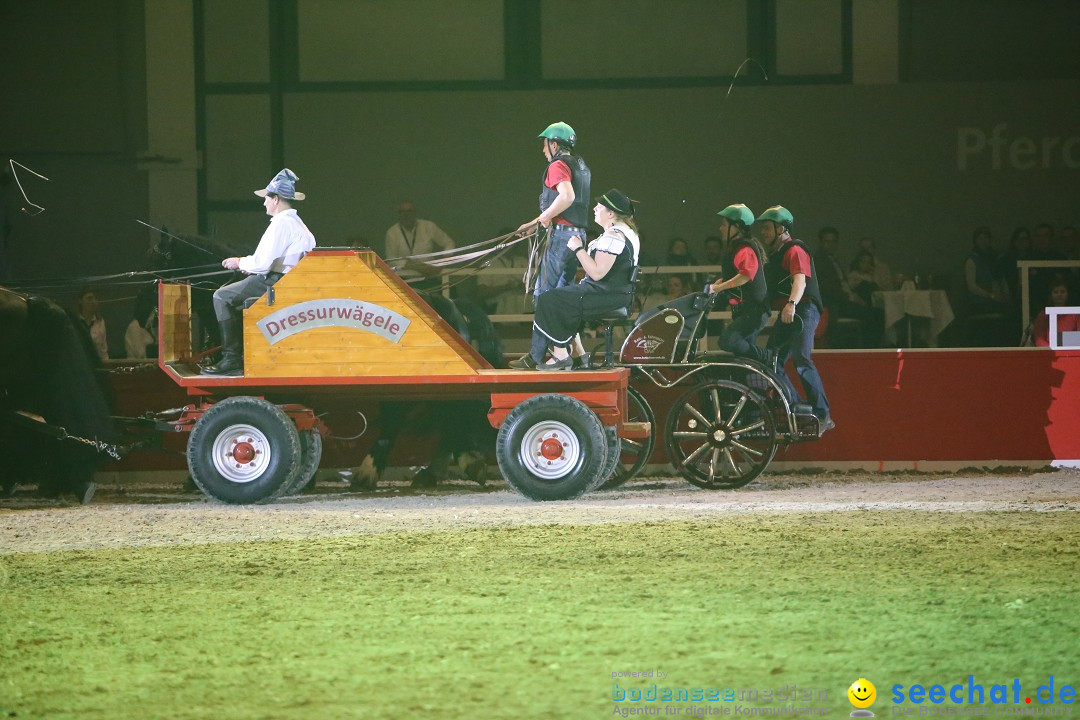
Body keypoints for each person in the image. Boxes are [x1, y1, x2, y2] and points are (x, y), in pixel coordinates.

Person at [202, 168, 316, 375]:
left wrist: (239, 262)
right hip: (285, 281)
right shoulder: (298, 224)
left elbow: (262, 263)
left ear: (276, 199)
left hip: (275, 283)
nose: (264, 202)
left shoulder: (281, 224)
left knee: (221, 297)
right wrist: (251, 266)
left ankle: (231, 358)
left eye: (266, 198)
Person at [528, 189, 640, 370]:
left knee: (549, 300)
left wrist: (578, 248)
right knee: (563, 298)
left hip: (605, 296)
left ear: (610, 213)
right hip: (614, 294)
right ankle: (580, 355)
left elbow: (597, 273)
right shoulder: (625, 233)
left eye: (600, 206)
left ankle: (561, 355)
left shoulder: (614, 236)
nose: (595, 208)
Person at [510, 121, 592, 369]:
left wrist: (542, 219)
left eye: (544, 144)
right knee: (561, 298)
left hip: (561, 238)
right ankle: (576, 354)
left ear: (554, 144)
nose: (543, 150)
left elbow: (566, 197)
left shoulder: (557, 165)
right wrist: (536, 223)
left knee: (543, 296)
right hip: (577, 236)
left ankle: (536, 356)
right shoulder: (581, 165)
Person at [759, 206, 833, 435]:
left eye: (767, 227)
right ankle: (800, 410)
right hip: (791, 311)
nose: (763, 232)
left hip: (803, 308)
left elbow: (799, 281)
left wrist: (791, 304)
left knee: (801, 357)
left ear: (781, 228)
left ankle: (822, 415)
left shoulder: (795, 250)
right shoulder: (776, 255)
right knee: (772, 361)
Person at [708, 204, 771, 365]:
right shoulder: (735, 248)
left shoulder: (744, 248)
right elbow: (735, 276)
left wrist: (719, 288)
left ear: (736, 227)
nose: (720, 228)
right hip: (744, 310)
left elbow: (745, 276)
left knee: (728, 340)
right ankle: (752, 383)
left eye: (724, 224)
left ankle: (767, 357)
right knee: (744, 358)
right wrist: (720, 282)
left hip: (753, 311)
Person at [384, 201, 454, 291]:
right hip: (404, 281)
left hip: (429, 279)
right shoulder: (392, 233)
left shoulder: (428, 226)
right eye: (402, 212)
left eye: (409, 211)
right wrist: (414, 266)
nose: (406, 215)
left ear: (415, 213)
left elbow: (449, 243)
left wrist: (443, 262)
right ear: (399, 215)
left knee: (450, 291)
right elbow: (391, 260)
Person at [1031, 277, 1079, 347]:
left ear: (1068, 294)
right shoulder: (1043, 315)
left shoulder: (1075, 315)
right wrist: (1051, 350)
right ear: (1051, 295)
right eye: (1056, 292)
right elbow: (1039, 339)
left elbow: (1078, 339)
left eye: (1062, 292)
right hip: (1048, 354)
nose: (1059, 294)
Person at [74, 288, 109, 362]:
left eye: (96, 298)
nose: (93, 302)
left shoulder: (100, 322)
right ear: (80, 301)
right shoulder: (74, 322)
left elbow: (103, 350)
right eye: (89, 298)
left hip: (97, 364)